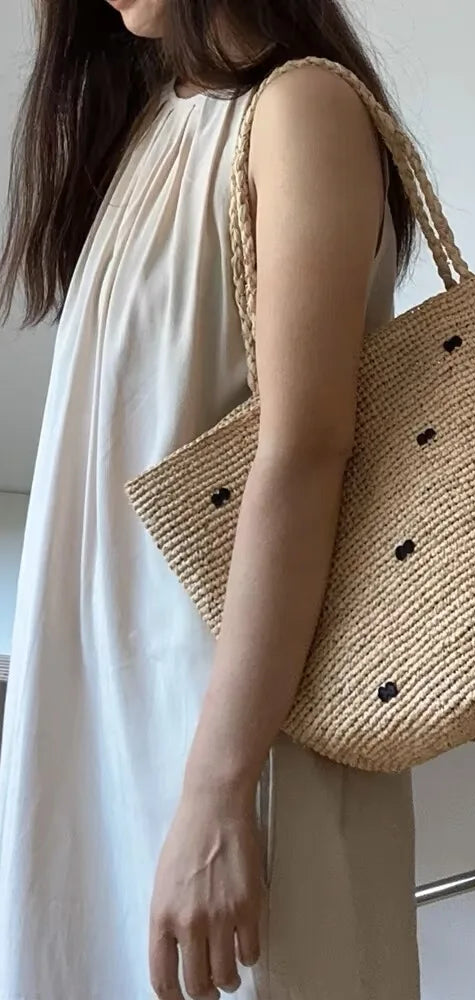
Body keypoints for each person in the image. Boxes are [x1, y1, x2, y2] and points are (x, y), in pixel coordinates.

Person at [0, 0, 421, 997]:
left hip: (223, 715)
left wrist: (217, 790)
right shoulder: (159, 117)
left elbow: (305, 452)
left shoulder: (301, 110)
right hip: (120, 695)